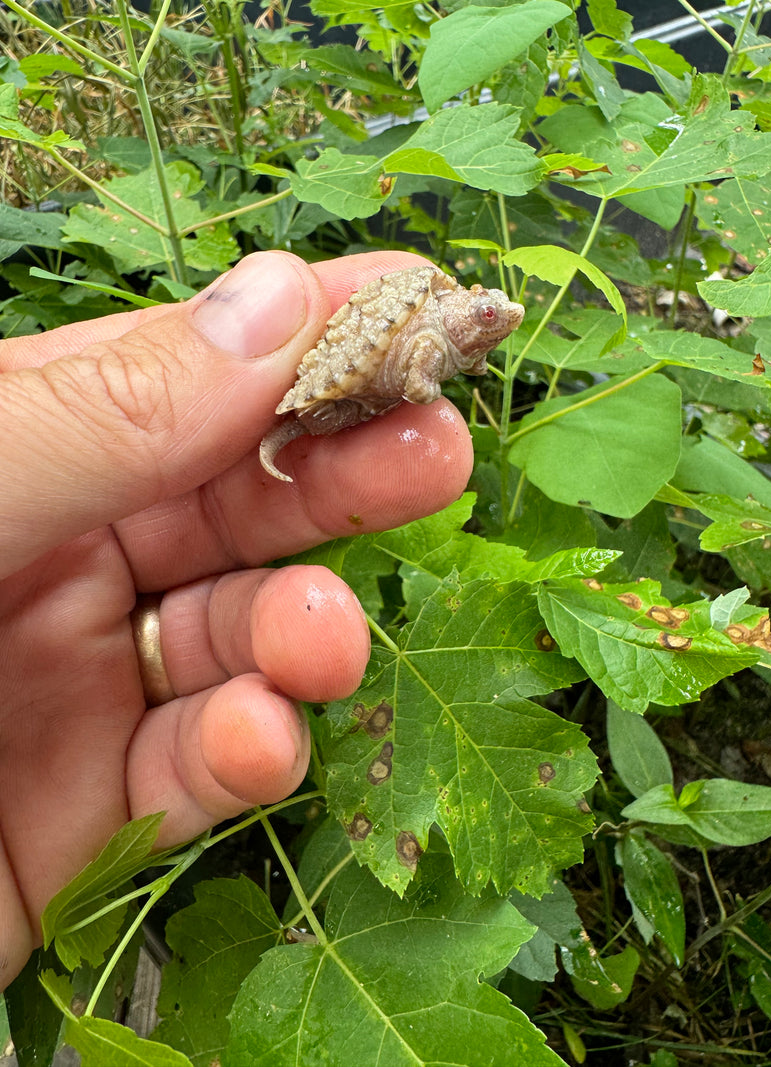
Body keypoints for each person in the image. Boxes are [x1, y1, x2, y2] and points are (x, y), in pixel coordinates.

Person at [0, 249, 474, 990]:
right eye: (483, 314)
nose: (493, 321)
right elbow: (414, 376)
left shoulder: (432, 308)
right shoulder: (421, 309)